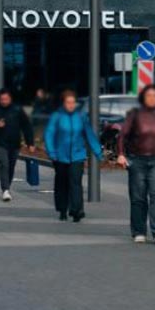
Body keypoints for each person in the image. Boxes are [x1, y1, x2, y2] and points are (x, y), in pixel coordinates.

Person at [116, 83, 155, 243]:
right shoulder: (135, 115)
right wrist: (121, 154)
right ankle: (138, 231)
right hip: (137, 160)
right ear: (143, 98)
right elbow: (122, 135)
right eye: (148, 96)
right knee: (138, 198)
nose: (152, 99)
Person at [42, 88, 101, 222]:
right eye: (68, 102)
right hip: (60, 156)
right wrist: (51, 152)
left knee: (76, 182)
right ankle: (62, 209)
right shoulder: (57, 116)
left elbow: (89, 134)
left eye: (73, 102)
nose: (71, 105)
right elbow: (49, 134)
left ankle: (77, 210)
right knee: (62, 183)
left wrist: (97, 151)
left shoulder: (81, 117)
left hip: (77, 155)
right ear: (63, 103)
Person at [0, 90, 33, 201]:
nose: (4, 101)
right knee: (4, 164)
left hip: (14, 143)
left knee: (11, 166)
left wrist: (30, 143)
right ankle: (5, 189)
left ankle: (7, 186)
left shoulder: (17, 110)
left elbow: (26, 126)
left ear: (10, 99)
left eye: (6, 99)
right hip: (0, 142)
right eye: (2, 99)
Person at [23, 87, 51, 192]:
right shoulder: (39, 103)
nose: (37, 95)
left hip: (40, 124)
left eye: (39, 93)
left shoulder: (45, 104)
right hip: (38, 125)